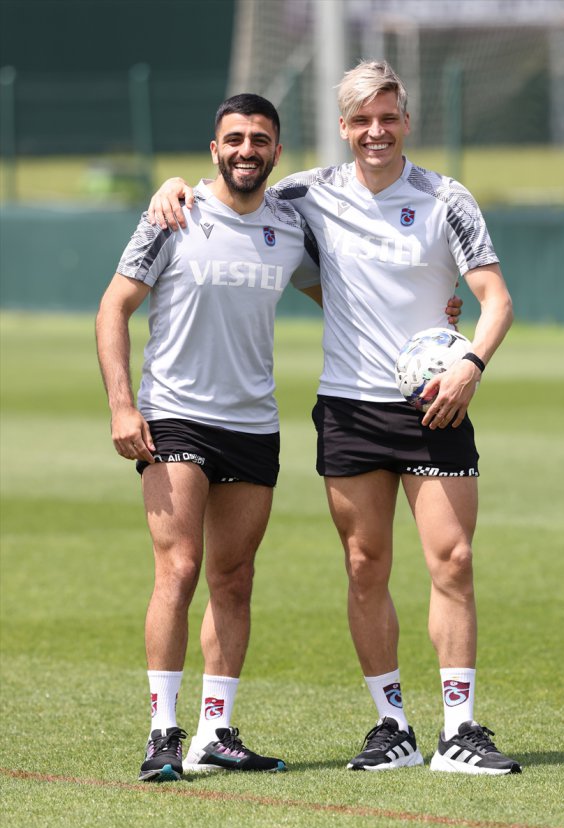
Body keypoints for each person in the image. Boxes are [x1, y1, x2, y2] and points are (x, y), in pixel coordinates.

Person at [148, 60, 520, 775]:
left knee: (454, 559)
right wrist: (172, 187)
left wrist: (470, 363)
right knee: (363, 565)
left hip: (435, 402)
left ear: (406, 121)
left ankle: (461, 729)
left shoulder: (446, 198)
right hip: (349, 407)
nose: (376, 132)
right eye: (361, 121)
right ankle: (393, 727)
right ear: (344, 128)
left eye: (388, 118)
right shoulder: (306, 194)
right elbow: (232, 190)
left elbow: (496, 299)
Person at [95, 93, 325, 782]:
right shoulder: (174, 215)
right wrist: (122, 407)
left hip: (253, 424)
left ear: (276, 150)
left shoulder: (289, 226)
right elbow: (113, 307)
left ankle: (214, 733)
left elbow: (349, 296)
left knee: (235, 577)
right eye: (235, 138)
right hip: (176, 414)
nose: (246, 149)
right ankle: (162, 732)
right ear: (215, 148)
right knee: (179, 568)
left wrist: (434, 315)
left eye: (259, 139)